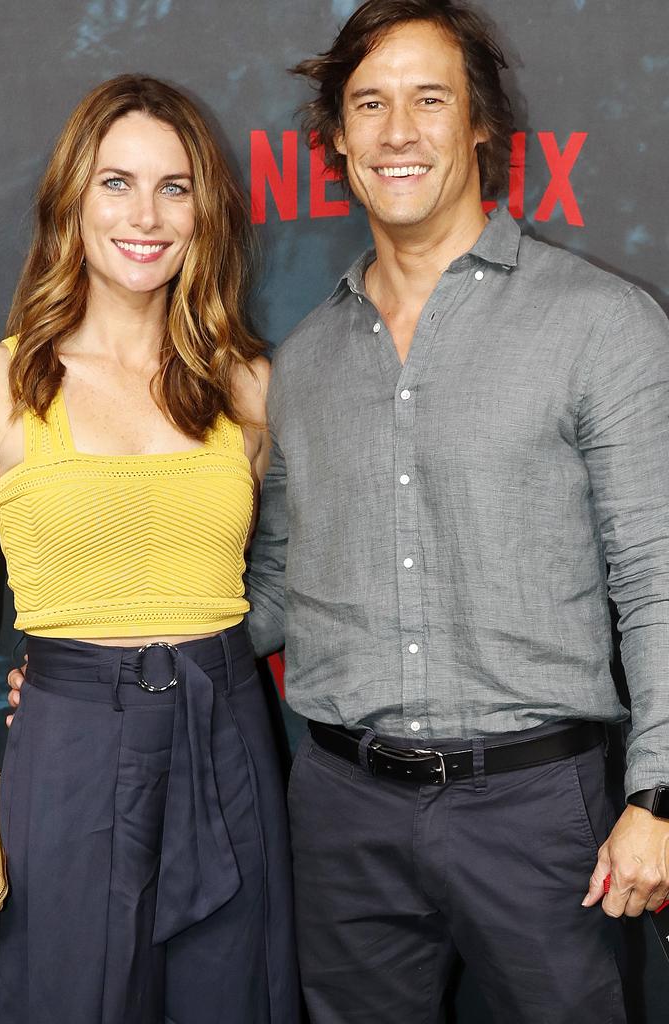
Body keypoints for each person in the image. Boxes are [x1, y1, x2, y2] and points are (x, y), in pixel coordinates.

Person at [243, 1, 669, 1021]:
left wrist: (657, 797)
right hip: (342, 813)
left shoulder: (599, 324)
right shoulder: (302, 364)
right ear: (336, 139)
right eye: (370, 105)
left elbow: (656, 575)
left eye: (429, 99)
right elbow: (269, 589)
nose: (399, 131)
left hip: (540, 812)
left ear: (479, 123)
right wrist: (117, 651)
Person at [0, 74, 298, 1024]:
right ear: (71, 199)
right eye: (116, 182)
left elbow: (296, 579)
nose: (146, 214)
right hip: (70, 748)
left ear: (207, 210)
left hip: (230, 736)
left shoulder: (251, 386)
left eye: (175, 186)